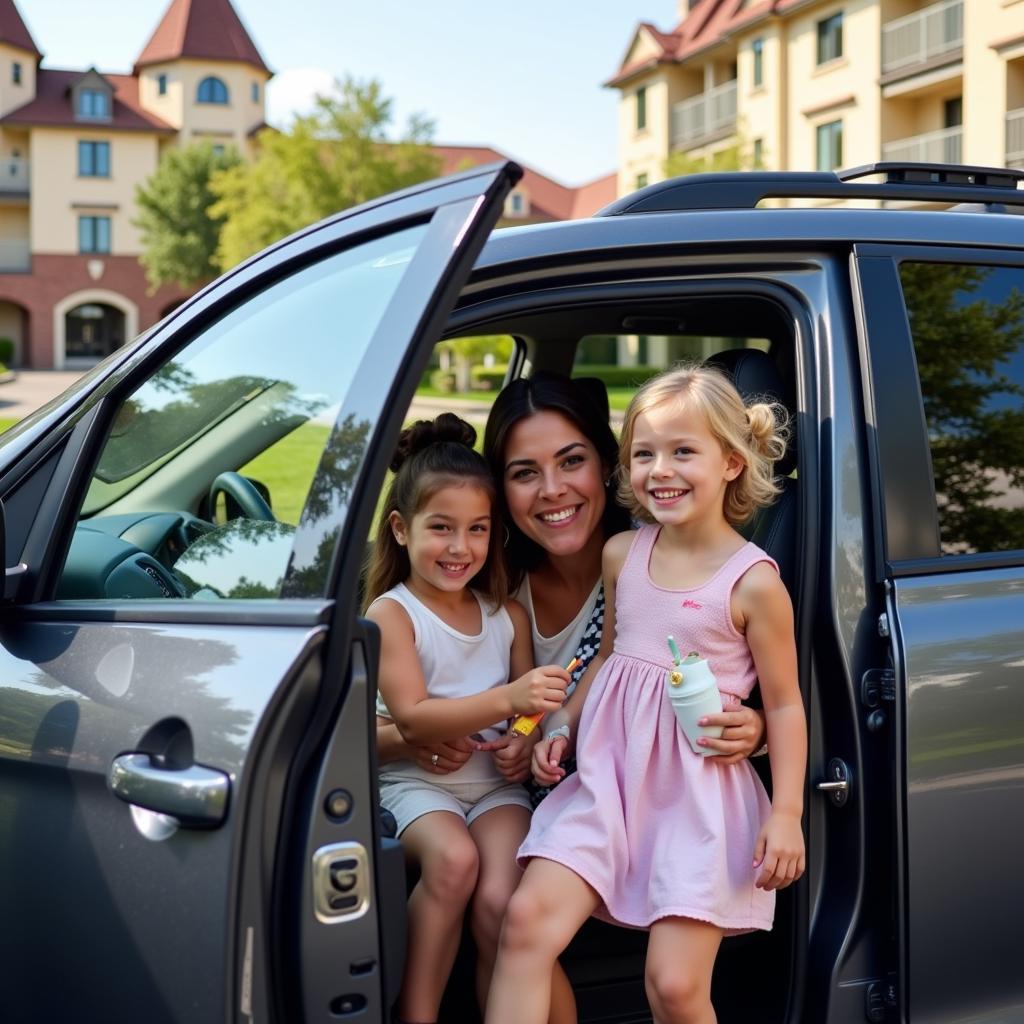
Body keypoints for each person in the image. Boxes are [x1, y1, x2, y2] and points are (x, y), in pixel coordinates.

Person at [376, 373, 767, 1023]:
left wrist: (749, 725)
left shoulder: (658, 566)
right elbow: (388, 715)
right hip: (517, 795)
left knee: (514, 911)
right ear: (498, 490)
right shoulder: (483, 585)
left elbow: (728, 663)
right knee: (505, 908)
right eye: (525, 472)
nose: (553, 490)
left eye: (572, 461)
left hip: (644, 805)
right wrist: (423, 735)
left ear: (609, 466)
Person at [485, 364, 808, 1024]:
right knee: (524, 923)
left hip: (697, 807)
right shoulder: (622, 554)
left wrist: (786, 814)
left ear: (731, 461)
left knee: (676, 987)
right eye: (644, 454)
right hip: (607, 787)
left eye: (683, 451)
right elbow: (608, 659)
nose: (660, 470)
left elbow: (783, 704)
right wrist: (562, 727)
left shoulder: (752, 584)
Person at [365, 413, 571, 1024]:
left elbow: (531, 716)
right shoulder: (393, 613)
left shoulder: (504, 615)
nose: (460, 548)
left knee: (503, 898)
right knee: (453, 863)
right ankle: (418, 1012)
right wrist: (510, 702)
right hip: (418, 785)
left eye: (477, 530)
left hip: (495, 789)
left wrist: (521, 739)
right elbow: (415, 716)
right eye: (442, 529)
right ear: (401, 530)